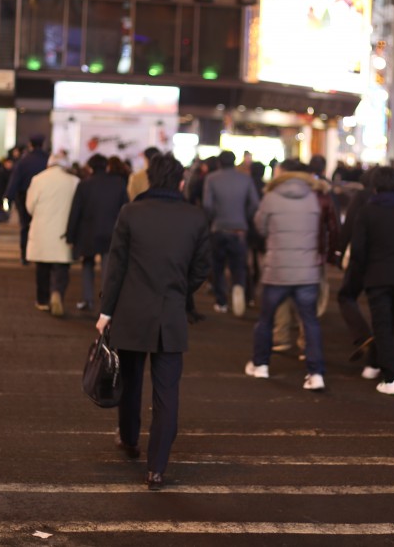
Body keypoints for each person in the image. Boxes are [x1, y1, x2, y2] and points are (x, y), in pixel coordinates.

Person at [95, 153, 211, 491]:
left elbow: (115, 268)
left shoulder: (131, 213)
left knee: (130, 382)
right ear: (179, 182)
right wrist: (179, 290)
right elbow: (202, 268)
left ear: (149, 180)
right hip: (171, 315)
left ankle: (130, 440)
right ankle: (157, 468)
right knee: (167, 393)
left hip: (131, 313)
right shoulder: (195, 217)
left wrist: (106, 313)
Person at [245, 160, 329, 391]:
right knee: (309, 321)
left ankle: (261, 365)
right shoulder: (312, 197)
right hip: (307, 271)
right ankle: (315, 373)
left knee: (266, 319)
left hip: (277, 270)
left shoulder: (271, 197)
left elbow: (260, 227)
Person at [348, 166, 394, 396]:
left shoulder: (367, 212)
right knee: (388, 324)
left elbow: (358, 249)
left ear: (374, 186)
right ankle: (374, 365)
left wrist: (361, 271)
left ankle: (392, 377)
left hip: (377, 276)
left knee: (382, 326)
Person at [66, 153, 129, 313]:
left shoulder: (84, 185)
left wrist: (70, 235)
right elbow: (125, 210)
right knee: (108, 271)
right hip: (111, 234)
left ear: (91, 167)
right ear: (106, 166)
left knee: (87, 266)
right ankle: (106, 304)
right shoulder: (119, 183)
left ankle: (87, 300)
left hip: (87, 234)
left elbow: (75, 212)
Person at [203, 150, 260, 316]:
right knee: (239, 266)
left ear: (219, 162)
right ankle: (238, 292)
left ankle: (221, 301)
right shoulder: (245, 179)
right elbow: (254, 203)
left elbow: (207, 205)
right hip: (239, 229)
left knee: (218, 266)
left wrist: (214, 218)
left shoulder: (211, 179)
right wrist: (244, 216)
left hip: (218, 228)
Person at [26, 153, 79, 317]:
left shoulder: (38, 179)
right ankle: (57, 292)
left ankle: (42, 300)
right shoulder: (74, 181)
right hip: (64, 231)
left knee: (42, 267)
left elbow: (30, 206)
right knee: (61, 267)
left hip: (42, 230)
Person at [336, 167, 374, 360]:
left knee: (346, 295)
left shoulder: (360, 197)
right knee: (378, 304)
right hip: (384, 261)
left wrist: (339, 251)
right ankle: (378, 347)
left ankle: (363, 334)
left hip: (361, 258)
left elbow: (349, 225)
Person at [5, 134, 50, 265]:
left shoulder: (24, 161)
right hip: (44, 198)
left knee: (25, 227)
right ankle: (40, 255)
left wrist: (8, 197)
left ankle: (25, 256)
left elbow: (15, 181)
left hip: (24, 197)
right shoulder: (47, 160)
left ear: (30, 145)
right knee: (41, 227)